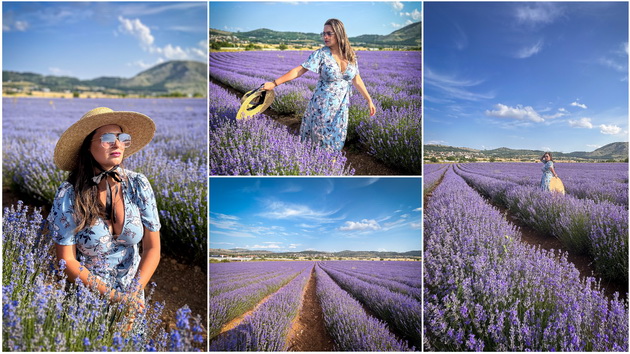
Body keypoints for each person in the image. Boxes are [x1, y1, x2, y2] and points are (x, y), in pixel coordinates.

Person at [48, 107, 161, 315]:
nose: (117, 144)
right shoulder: (69, 194)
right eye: (107, 138)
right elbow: (67, 260)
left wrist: (133, 295)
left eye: (122, 138)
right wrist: (114, 297)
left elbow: (152, 248)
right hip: (88, 298)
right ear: (87, 146)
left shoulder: (138, 184)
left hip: (133, 298)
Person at [262, 18, 376, 151]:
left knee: (337, 139)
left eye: (329, 33)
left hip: (341, 108)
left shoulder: (351, 56)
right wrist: (274, 83)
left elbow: (357, 79)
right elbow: (299, 70)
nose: (325, 37)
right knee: (319, 141)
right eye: (323, 33)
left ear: (339, 34)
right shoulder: (321, 54)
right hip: (322, 106)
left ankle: (329, 166)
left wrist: (369, 100)